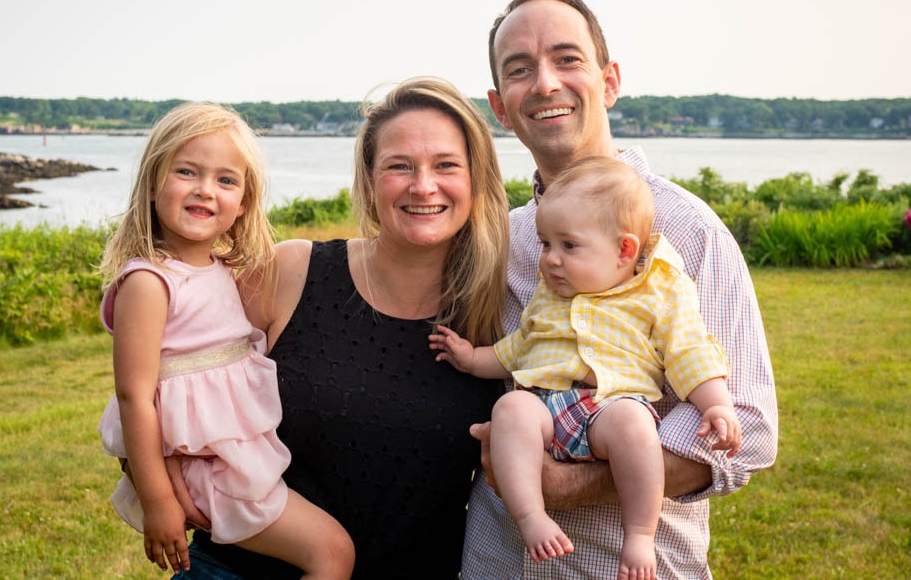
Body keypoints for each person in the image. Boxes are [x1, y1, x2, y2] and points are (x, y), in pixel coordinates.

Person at [461, 0, 779, 579]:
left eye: (567, 59)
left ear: (609, 81)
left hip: (626, 566)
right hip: (497, 562)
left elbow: (750, 428)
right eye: (520, 70)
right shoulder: (500, 239)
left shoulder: (686, 231)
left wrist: (569, 484)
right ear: (500, 106)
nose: (546, 83)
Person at [166, 77, 510, 578]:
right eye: (399, 166)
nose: (423, 185)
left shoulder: (498, 309)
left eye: (446, 165)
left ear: (477, 180)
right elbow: (168, 366)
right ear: (369, 182)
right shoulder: (291, 272)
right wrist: (154, 471)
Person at [431, 156, 742, 579]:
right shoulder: (549, 297)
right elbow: (516, 350)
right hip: (546, 407)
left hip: (611, 407)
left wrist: (716, 404)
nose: (551, 260)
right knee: (510, 411)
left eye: (568, 246)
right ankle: (531, 516)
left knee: (635, 428)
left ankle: (639, 534)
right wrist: (470, 358)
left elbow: (689, 352)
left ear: (624, 250)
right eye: (545, 244)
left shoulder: (655, 290)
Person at [97, 102, 354, 578]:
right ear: (154, 183)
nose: (204, 190)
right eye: (187, 172)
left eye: (225, 180)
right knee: (332, 553)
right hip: (203, 467)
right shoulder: (150, 282)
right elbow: (134, 396)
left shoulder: (223, 271)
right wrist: (158, 502)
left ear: (244, 202)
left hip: (230, 458)